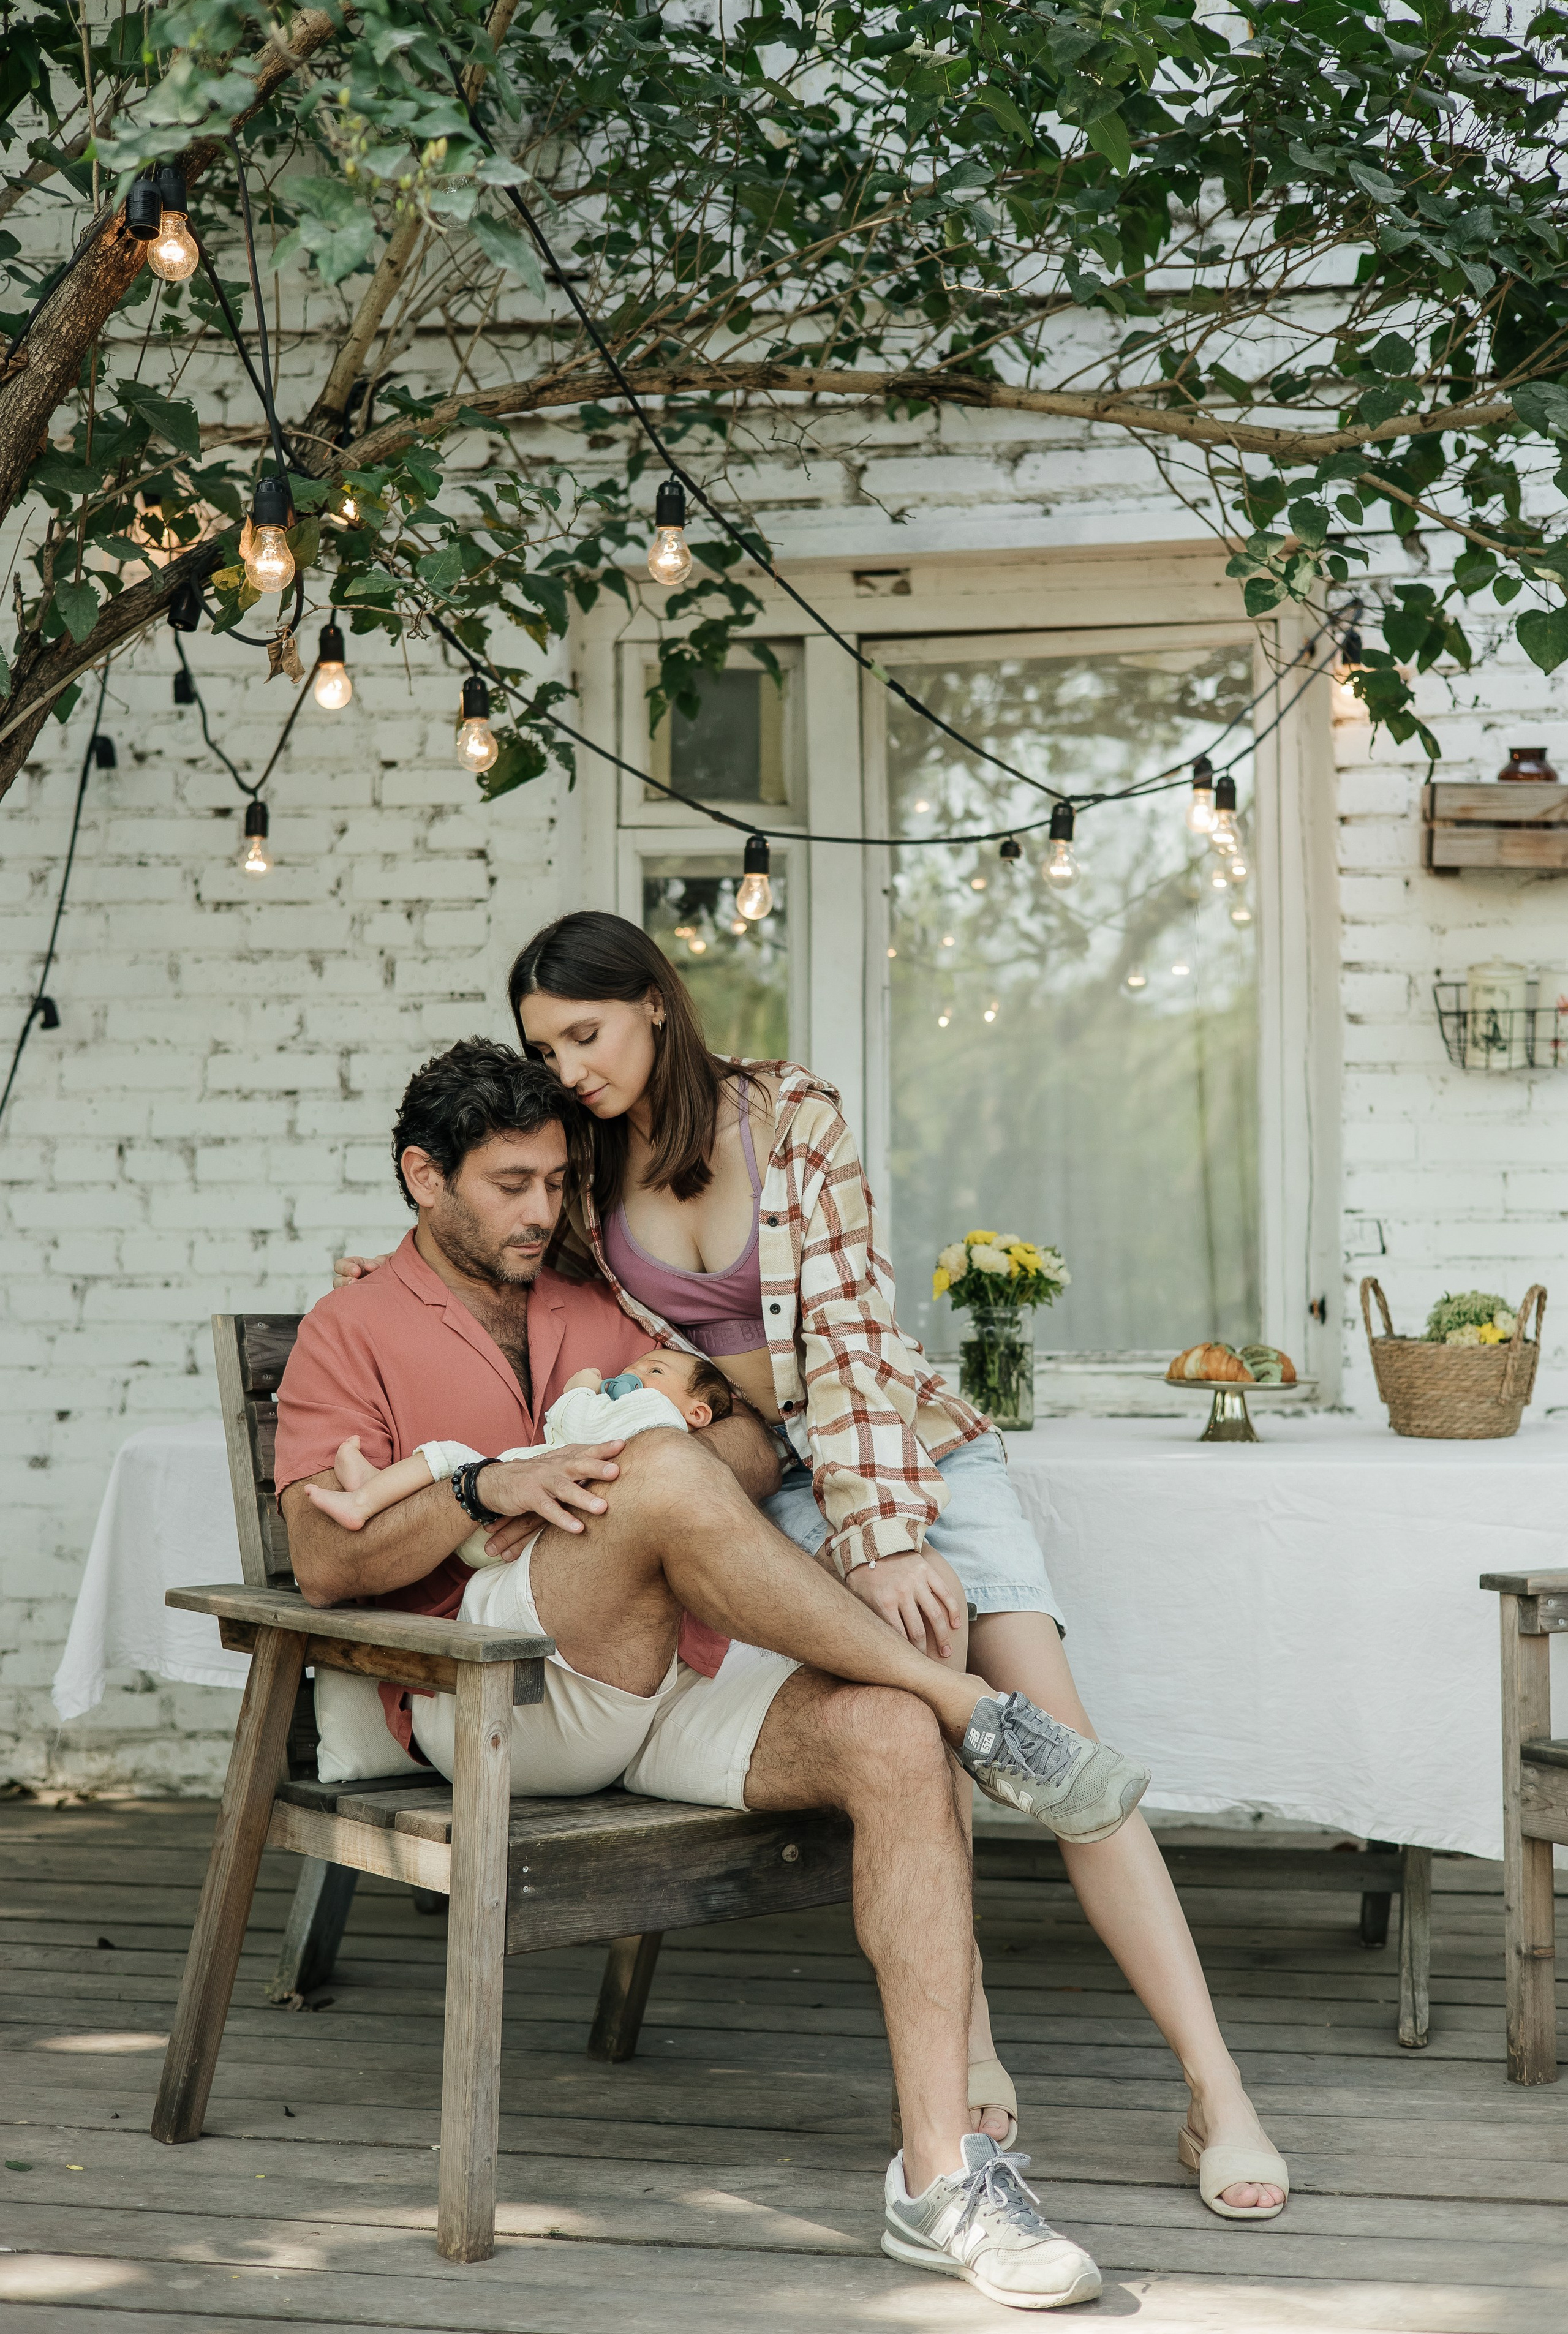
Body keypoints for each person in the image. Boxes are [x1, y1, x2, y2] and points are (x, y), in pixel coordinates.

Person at [284, 1036, 1152, 2305]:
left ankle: (941, 2176)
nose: (541, 1212)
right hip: (496, 1697)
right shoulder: (349, 1326)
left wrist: (679, 1419)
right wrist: (485, 1485)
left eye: (553, 1182)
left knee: (884, 1737)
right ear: (424, 1177)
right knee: (656, 1474)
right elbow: (317, 1555)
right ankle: (974, 1705)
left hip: (663, 1678)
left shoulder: (584, 1297)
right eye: (509, 1185)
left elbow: (750, 1442)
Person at [502, 913, 1291, 2221]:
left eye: (584, 1034)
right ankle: (968, 2041)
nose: (570, 1066)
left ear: (653, 1001)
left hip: (908, 1459)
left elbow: (856, 1338)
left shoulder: (790, 1114)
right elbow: (523, 1279)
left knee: (1055, 1745)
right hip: (765, 1493)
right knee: (920, 1739)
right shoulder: (578, 1177)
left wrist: (887, 1535)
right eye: (547, 1047)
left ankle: (1217, 2088)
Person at [304, 1347, 731, 1540]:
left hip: (520, 1525)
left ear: (696, 1413)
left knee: (451, 1456)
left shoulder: (656, 1414)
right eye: (635, 1367)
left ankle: (362, 1502)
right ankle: (374, 1487)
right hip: (525, 1515)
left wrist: (580, 1388)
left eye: (655, 1370)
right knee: (456, 1465)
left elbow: (573, 1426)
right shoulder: (653, 1419)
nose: (635, 1375)